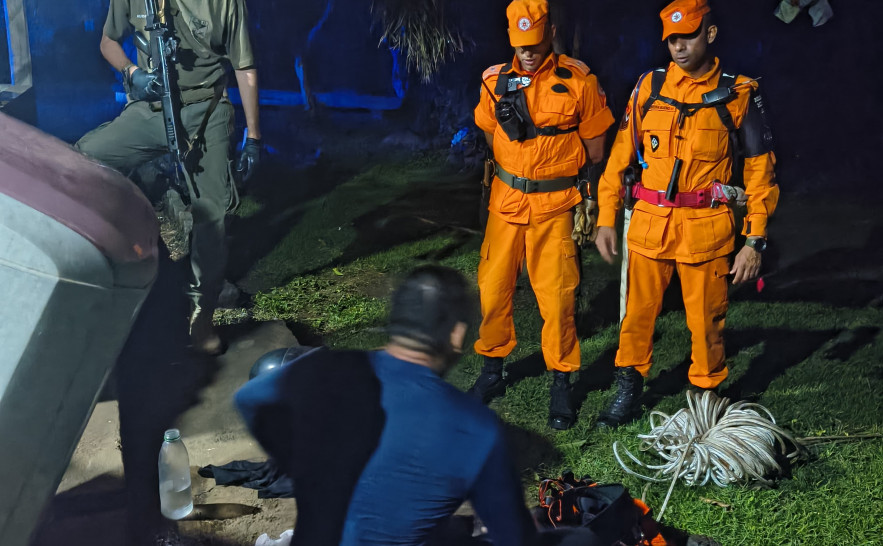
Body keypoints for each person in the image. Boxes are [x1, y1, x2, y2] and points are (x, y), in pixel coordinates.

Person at [234, 265, 538, 545]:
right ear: (456, 335)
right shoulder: (475, 428)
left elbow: (248, 399)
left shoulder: (325, 369)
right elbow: (514, 537)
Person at [593, 0, 780, 428]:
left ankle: (706, 397)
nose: (679, 47)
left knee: (707, 321)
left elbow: (761, 174)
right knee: (636, 315)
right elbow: (619, 158)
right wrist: (605, 217)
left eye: (688, 37)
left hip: (706, 230)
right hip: (650, 226)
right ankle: (628, 388)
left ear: (709, 35)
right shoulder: (649, 87)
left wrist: (754, 241)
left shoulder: (740, 93)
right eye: (672, 39)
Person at [76, 0, 263, 355]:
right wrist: (133, 73)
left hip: (206, 110)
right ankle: (114, 267)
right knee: (83, 161)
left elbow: (244, 65)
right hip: (151, 109)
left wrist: (253, 137)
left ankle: (202, 316)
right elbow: (108, 41)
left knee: (213, 216)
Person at [468, 0, 614, 430]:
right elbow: (489, 130)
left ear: (549, 34)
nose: (528, 52)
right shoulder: (494, 81)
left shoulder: (579, 80)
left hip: (555, 207)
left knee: (558, 297)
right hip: (505, 203)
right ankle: (492, 371)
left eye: (534, 42)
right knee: (493, 289)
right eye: (520, 44)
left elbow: (596, 148)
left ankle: (561, 381)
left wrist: (584, 194)